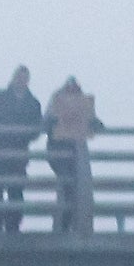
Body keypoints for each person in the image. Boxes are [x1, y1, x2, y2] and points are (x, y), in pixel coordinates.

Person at [0, 66, 43, 232]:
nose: (21, 81)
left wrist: (22, 135)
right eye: (18, 77)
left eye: (24, 78)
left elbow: (37, 130)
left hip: (19, 156)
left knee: (16, 192)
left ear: (27, 80)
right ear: (13, 78)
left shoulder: (33, 103)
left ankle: (13, 227)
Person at [45, 77, 99, 233]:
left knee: (73, 189)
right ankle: (64, 225)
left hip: (76, 153)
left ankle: (67, 225)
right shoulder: (56, 103)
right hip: (59, 152)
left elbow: (92, 123)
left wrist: (94, 123)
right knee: (67, 186)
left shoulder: (83, 104)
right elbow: (47, 123)